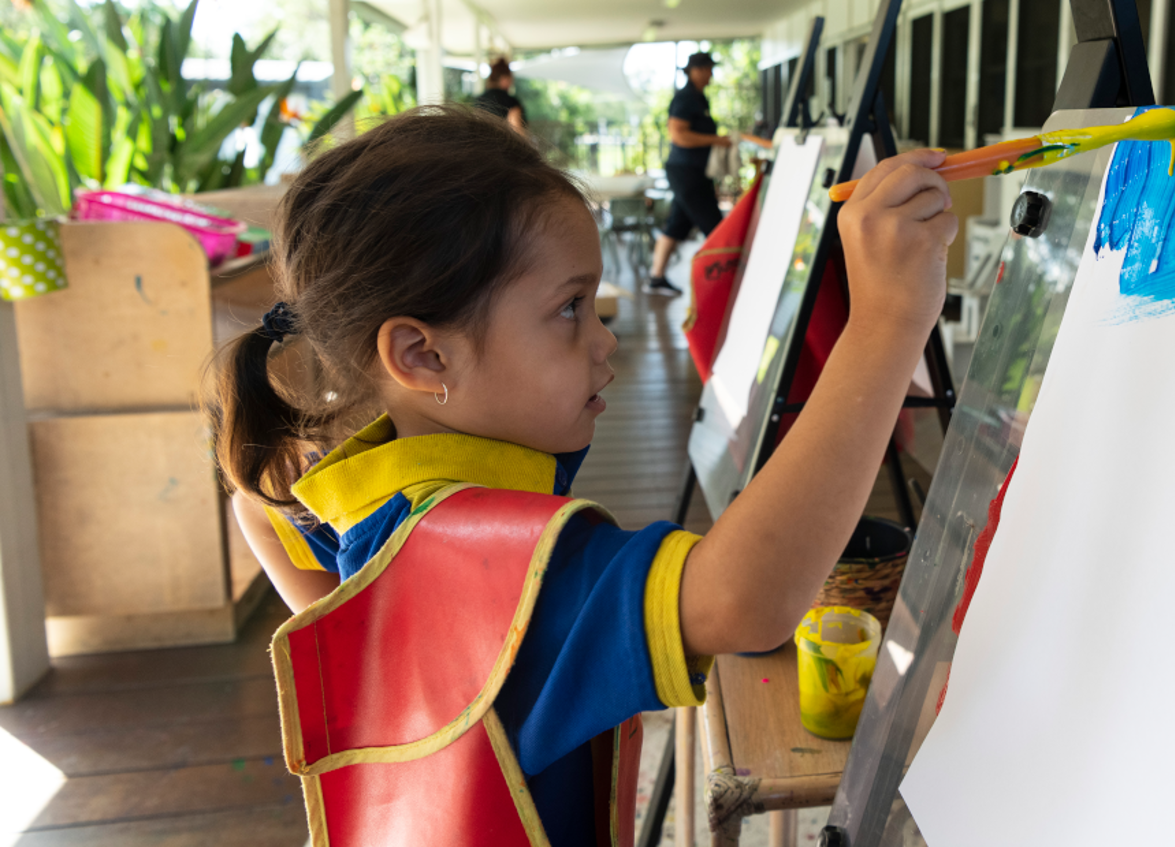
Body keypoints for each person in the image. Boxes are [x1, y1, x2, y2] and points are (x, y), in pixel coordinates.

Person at [213, 106, 955, 846]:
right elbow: (746, 600)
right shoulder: (501, 572)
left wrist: (357, 643)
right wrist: (888, 320)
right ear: (424, 356)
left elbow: (257, 508)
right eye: (570, 308)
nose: (606, 340)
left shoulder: (374, 496)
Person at [648, 51, 733, 295]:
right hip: (686, 172)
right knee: (714, 227)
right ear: (695, 71)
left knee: (677, 224)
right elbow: (678, 135)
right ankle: (721, 281)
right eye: (707, 69)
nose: (710, 74)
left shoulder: (699, 98)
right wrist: (716, 140)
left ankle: (656, 277)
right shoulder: (685, 98)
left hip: (695, 171)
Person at [475, 57, 527, 131]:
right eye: (510, 78)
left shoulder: (479, 100)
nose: (511, 82)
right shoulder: (510, 102)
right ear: (504, 78)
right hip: (503, 138)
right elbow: (517, 130)